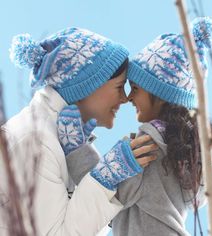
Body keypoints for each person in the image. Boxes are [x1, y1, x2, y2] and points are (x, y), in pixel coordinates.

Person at [0, 28, 157, 236]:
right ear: (88, 85)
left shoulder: (63, 137)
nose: (124, 98)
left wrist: (83, 160)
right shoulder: (36, 142)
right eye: (119, 87)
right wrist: (104, 179)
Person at [111, 17, 212, 236]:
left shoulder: (149, 143)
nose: (129, 97)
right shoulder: (190, 149)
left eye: (136, 88)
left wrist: (82, 151)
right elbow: (201, 199)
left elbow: (115, 196)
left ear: (161, 95)